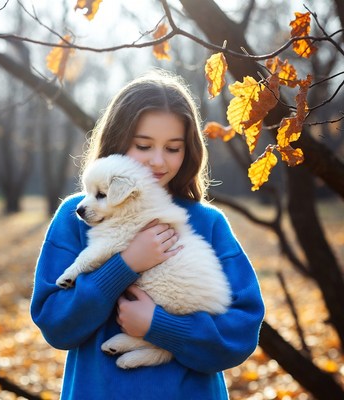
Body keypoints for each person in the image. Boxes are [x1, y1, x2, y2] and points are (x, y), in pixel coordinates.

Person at [30, 70, 265, 400]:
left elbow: (238, 335)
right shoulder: (78, 217)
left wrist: (159, 326)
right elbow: (56, 324)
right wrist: (124, 265)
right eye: (143, 145)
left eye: (173, 148)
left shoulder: (207, 222)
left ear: (189, 151)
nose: (158, 161)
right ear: (116, 141)